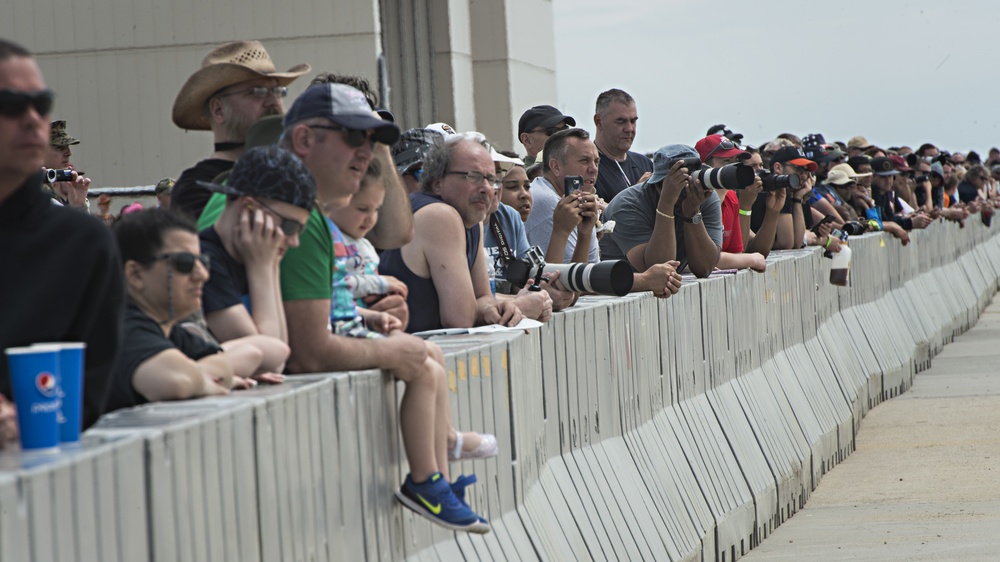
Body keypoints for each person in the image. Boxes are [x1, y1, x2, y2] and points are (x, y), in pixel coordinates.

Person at [272, 83, 491, 532]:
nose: (365, 153)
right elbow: (309, 350)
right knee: (417, 356)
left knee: (422, 355)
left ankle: (438, 473)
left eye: (373, 142)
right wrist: (393, 348)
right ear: (303, 140)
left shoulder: (311, 215)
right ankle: (429, 479)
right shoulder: (297, 217)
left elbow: (391, 232)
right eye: (354, 137)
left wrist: (372, 315)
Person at [0, 39, 124, 442]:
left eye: (41, 103)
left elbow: (91, 394)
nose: (32, 119)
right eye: (11, 104)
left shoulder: (82, 244)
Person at [103, 209, 285, 413]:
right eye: (185, 262)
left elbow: (269, 352)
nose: (203, 274)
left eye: (203, 261)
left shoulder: (169, 332)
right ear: (135, 274)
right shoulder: (124, 326)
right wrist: (212, 380)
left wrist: (200, 376)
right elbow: (173, 382)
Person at [379, 133, 529, 332]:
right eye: (473, 176)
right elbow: (459, 318)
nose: (486, 188)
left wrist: (493, 308)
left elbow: (483, 297)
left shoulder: (471, 219)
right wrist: (521, 306)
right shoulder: (440, 215)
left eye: (492, 179)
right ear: (437, 183)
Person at [170, 40, 310, 218]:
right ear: (218, 110)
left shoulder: (293, 169)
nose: (273, 101)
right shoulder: (195, 188)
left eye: (277, 91)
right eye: (257, 92)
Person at [197, 146, 313, 356]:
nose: (295, 241)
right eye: (289, 226)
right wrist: (262, 268)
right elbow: (270, 357)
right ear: (247, 208)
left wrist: (271, 266)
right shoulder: (204, 263)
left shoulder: (254, 258)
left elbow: (280, 350)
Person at [600, 144, 721, 278]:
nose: (687, 187)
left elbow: (704, 268)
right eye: (679, 181)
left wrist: (693, 212)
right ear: (659, 184)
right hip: (623, 285)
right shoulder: (627, 205)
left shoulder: (700, 195)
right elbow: (658, 271)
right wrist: (666, 205)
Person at [523, 127, 601, 264]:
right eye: (584, 160)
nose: (593, 169)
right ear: (556, 167)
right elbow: (564, 275)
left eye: (596, 162)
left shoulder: (577, 201)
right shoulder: (547, 200)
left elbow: (591, 269)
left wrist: (585, 233)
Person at [693, 135, 766, 272]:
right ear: (704, 165)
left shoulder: (731, 197)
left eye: (735, 161)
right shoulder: (694, 199)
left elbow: (737, 252)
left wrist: (746, 207)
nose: (734, 167)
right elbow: (703, 258)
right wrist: (752, 259)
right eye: (726, 161)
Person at [592, 89, 653, 201]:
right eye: (621, 121)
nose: (629, 129)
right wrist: (636, 193)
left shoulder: (645, 164)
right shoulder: (588, 170)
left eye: (633, 121)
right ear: (599, 122)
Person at [42, 119, 91, 208]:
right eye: (59, 148)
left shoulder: (66, 188)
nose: (69, 153)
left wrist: (79, 207)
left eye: (67, 147)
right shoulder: (26, 188)